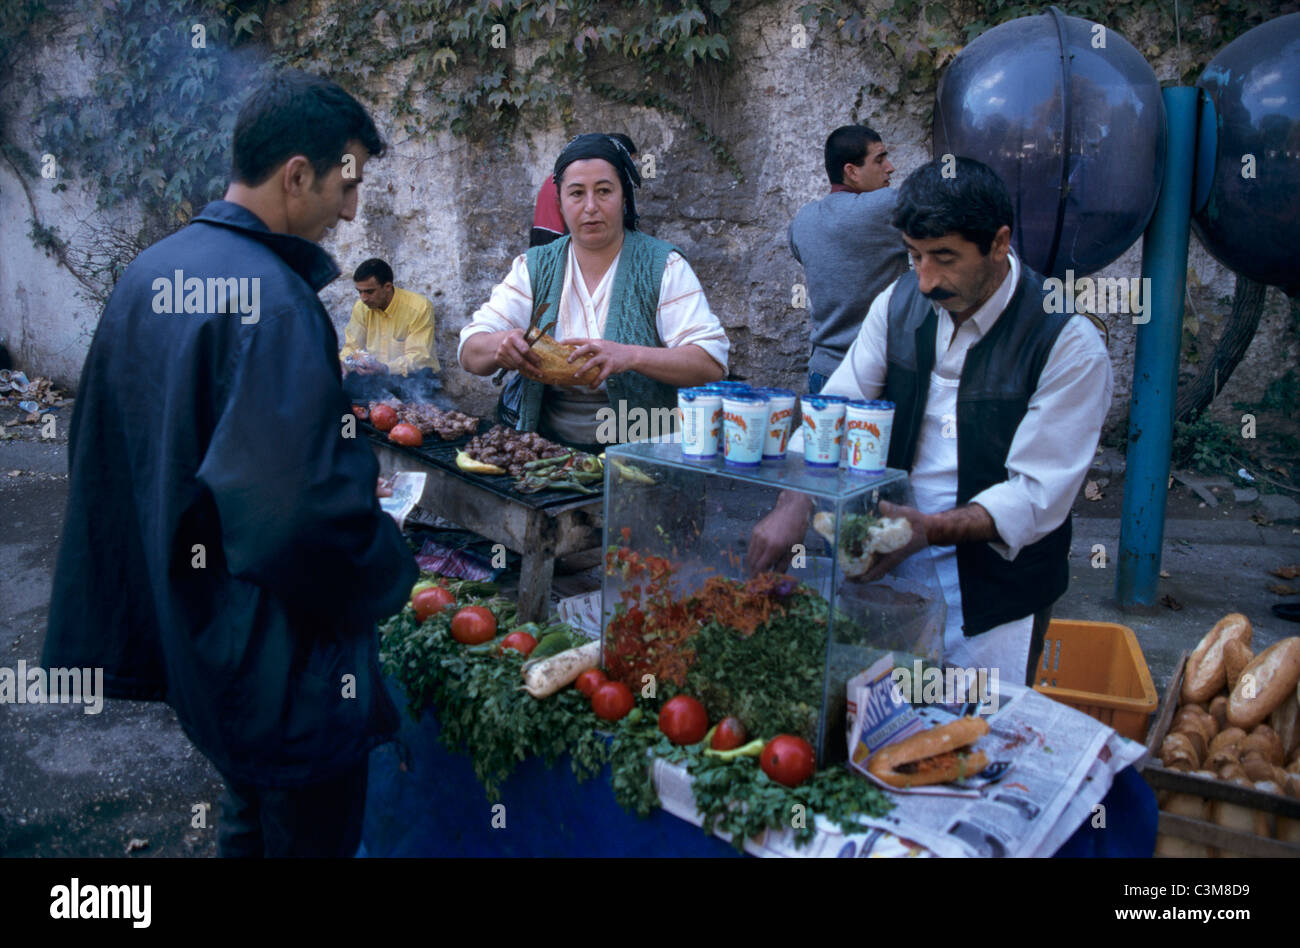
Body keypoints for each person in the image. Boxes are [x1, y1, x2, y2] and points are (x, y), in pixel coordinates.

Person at [42, 70, 416, 857]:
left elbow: (112, 454)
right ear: (296, 175)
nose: (352, 210)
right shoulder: (274, 304)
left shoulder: (153, 271)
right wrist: (392, 564)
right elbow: (298, 521)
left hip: (204, 640)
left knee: (249, 818)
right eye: (345, 185)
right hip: (281, 668)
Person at [750, 157, 1113, 686]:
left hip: (992, 592)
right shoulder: (896, 303)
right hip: (886, 570)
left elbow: (1036, 496)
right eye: (914, 255)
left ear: (998, 243)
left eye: (944, 257)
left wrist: (929, 530)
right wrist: (794, 501)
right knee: (872, 719)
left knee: (973, 742)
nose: (925, 280)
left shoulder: (1067, 342)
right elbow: (837, 408)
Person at [460, 133, 728, 452]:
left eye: (604, 191)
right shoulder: (534, 267)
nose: (590, 207)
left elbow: (710, 363)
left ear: (624, 198)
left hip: (643, 453)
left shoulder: (663, 266)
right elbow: (470, 352)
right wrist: (500, 346)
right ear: (559, 202)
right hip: (546, 453)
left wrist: (631, 356)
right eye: (576, 193)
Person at [789, 125, 908, 395]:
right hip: (875, 376)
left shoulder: (804, 219)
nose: (890, 167)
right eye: (879, 159)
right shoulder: (887, 206)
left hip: (823, 373)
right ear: (851, 172)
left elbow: (796, 249)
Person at [339, 257, 440, 401]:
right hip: (374, 376)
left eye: (369, 292)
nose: (363, 298)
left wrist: (385, 368)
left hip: (411, 377)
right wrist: (343, 362)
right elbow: (352, 346)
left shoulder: (419, 307)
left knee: (415, 402)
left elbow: (419, 357)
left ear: (387, 287)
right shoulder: (361, 307)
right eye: (359, 292)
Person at [529, 133, 637, 247]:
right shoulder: (570, 180)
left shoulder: (563, 176)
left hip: (540, 231)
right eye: (630, 162)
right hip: (556, 236)